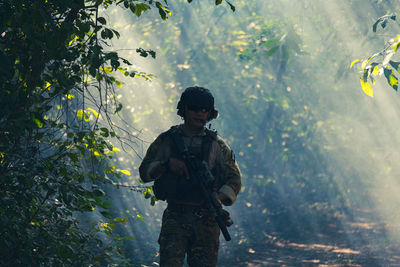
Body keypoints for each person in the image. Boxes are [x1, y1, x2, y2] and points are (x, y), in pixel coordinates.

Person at [139, 86, 241, 267]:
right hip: (175, 216)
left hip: (206, 219)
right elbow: (145, 172)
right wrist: (167, 164)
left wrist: (216, 199)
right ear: (184, 109)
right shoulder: (167, 140)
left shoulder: (217, 145)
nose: (200, 113)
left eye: (205, 109)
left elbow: (234, 180)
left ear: (210, 113)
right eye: (194, 107)